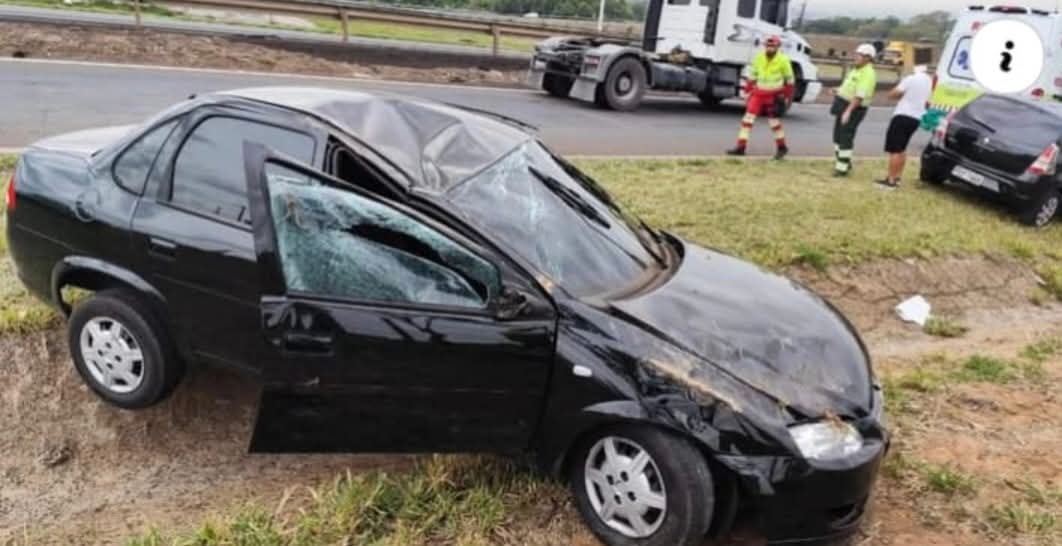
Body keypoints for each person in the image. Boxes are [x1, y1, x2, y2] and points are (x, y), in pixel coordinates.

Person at [726, 35, 795, 160]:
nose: (769, 48)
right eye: (768, 46)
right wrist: (748, 89)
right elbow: (753, 75)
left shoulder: (783, 60)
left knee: (774, 122)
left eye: (772, 46)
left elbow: (790, 80)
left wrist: (786, 97)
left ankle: (782, 147)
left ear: (777, 47)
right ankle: (741, 147)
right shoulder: (759, 58)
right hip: (758, 94)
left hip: (774, 95)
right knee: (747, 120)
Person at [876, 65, 933, 188]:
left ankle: (890, 180)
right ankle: (897, 177)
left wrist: (893, 94)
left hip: (902, 115)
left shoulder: (910, 79)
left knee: (895, 149)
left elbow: (894, 93)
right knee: (902, 148)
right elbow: (928, 102)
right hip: (916, 118)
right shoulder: (928, 81)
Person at [831, 43, 878, 177]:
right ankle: (844, 161)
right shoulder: (856, 69)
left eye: (859, 55)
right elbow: (849, 87)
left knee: (845, 136)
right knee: (837, 136)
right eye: (856, 54)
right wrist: (838, 90)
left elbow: (859, 96)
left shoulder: (868, 73)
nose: (856, 57)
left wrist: (848, 111)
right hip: (842, 104)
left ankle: (842, 168)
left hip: (854, 108)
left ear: (868, 58)